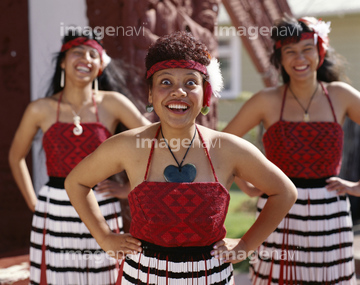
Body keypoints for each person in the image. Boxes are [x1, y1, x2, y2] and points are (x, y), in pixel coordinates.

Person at [64, 31, 297, 284]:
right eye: (165, 82)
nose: (179, 92)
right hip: (144, 275)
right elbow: (76, 182)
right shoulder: (128, 145)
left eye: (190, 83)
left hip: (211, 276)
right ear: (151, 95)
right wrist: (104, 237)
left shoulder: (227, 148)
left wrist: (246, 245)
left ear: (205, 94)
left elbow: (284, 192)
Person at [223, 15, 360, 284]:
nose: (299, 58)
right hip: (277, 209)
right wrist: (246, 182)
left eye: (307, 49)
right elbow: (220, 144)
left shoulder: (340, 95)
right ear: (280, 58)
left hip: (329, 212)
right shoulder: (266, 100)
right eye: (290, 51)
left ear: (320, 52)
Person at [8, 28, 150, 284]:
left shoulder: (113, 103)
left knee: (103, 276)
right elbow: (16, 157)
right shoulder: (40, 109)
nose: (85, 59)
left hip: (102, 206)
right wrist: (34, 203)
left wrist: (127, 188)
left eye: (92, 55)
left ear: (100, 67)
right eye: (77, 52)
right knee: (57, 277)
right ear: (63, 62)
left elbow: (152, 141)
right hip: (54, 209)